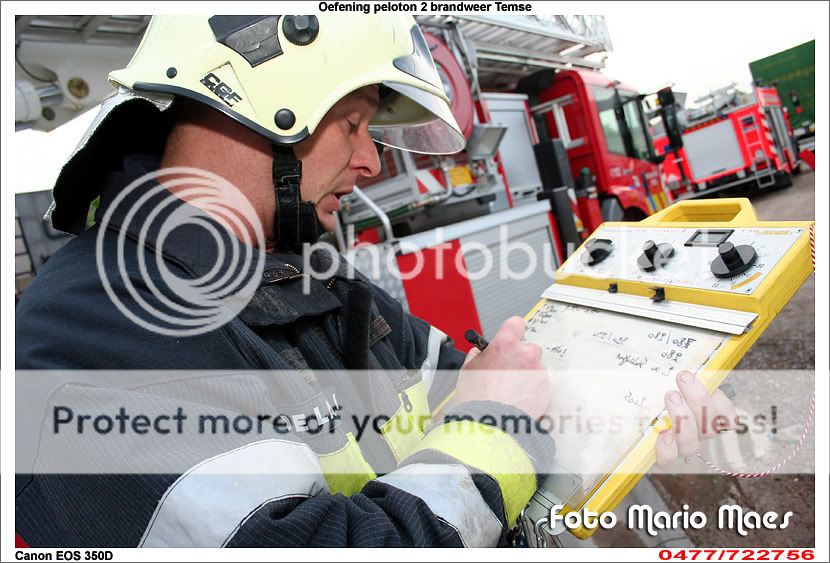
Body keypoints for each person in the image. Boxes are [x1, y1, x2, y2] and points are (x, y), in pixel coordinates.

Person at [15, 15, 735, 548]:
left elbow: (468, 398)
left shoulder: (306, 277)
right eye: (353, 123)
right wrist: (498, 427)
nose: (370, 162)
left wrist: (629, 414)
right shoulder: (90, 333)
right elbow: (476, 438)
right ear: (268, 109)